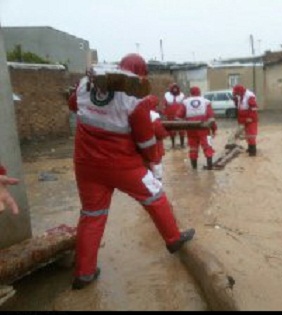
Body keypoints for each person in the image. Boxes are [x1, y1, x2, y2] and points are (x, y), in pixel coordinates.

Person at [67, 53, 195, 290]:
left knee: (92, 215)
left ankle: (84, 273)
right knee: (155, 195)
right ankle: (173, 240)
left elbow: (73, 105)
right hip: (122, 165)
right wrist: (150, 161)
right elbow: (146, 140)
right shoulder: (134, 97)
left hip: (85, 165)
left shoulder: (86, 85)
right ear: (141, 73)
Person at [177, 86, 218, 170]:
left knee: (193, 148)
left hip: (191, 129)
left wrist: (182, 128)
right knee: (207, 146)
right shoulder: (206, 102)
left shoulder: (185, 102)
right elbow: (211, 118)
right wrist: (214, 129)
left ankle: (194, 168)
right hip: (204, 129)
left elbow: (178, 117)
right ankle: (210, 167)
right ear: (199, 92)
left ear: (190, 93)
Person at [142, 95, 169, 181]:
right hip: (155, 146)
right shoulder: (154, 115)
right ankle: (157, 183)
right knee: (156, 165)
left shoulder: (137, 113)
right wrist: (166, 133)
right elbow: (159, 132)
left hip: (141, 147)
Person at [232, 84, 259, 156]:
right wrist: (235, 99)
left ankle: (253, 151)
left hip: (250, 119)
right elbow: (239, 106)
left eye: (236, 92)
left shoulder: (249, 95)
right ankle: (250, 147)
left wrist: (250, 117)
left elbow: (254, 108)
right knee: (247, 134)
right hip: (244, 118)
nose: (236, 94)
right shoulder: (240, 96)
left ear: (239, 91)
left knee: (251, 135)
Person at [162, 83, 186, 149]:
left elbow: (184, 105)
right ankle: (173, 144)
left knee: (181, 129)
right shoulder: (167, 96)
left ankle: (182, 144)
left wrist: (185, 114)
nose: (175, 90)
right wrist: (164, 114)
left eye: (176, 88)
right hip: (170, 116)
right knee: (172, 130)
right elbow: (164, 105)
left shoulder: (182, 95)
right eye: (173, 88)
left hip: (180, 116)